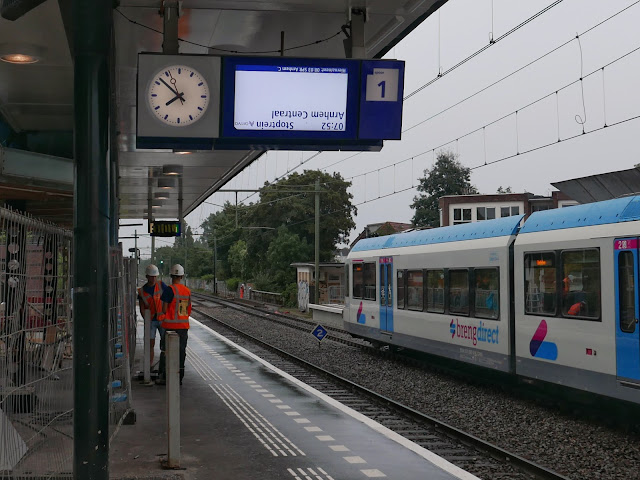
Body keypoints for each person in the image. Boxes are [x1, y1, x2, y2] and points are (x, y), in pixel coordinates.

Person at [156, 264, 191, 386]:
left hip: (170, 328)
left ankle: (165, 377)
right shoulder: (186, 291)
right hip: (183, 328)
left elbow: (164, 309)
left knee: (167, 352)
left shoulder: (169, 290)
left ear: (171, 276)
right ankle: (179, 378)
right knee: (181, 353)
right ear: (181, 276)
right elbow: (188, 310)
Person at [137, 264, 167, 370]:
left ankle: (164, 367)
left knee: (165, 344)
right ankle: (149, 367)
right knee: (150, 344)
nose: (153, 278)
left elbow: (168, 299)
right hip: (151, 321)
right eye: (151, 276)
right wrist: (146, 319)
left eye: (155, 276)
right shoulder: (142, 291)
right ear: (147, 276)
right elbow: (141, 308)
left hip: (163, 320)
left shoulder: (161, 285)